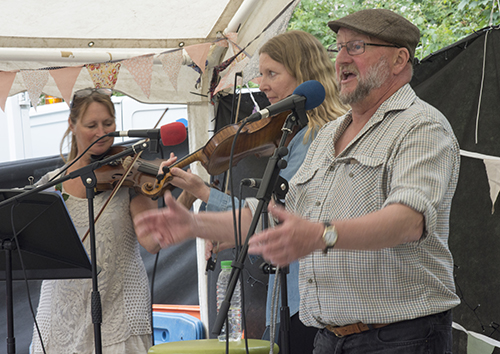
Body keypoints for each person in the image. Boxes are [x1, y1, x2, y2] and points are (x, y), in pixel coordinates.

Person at [134, 8, 461, 353]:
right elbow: (275, 216)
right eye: (339, 48)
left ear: (399, 59)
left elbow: (408, 221)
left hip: (400, 338)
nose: (342, 59)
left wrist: (321, 235)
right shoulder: (328, 135)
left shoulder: (422, 126)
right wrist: (196, 225)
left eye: (357, 47)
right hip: (329, 338)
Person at [153, 30, 348, 353]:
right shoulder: (298, 134)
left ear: (305, 76)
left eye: (272, 73)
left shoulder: (314, 138)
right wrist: (238, 230)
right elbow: (277, 217)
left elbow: (287, 217)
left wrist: (203, 191)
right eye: (260, 72)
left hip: (310, 300)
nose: (261, 83)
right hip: (299, 297)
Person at [30, 88, 159, 354]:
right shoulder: (50, 185)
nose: (102, 133)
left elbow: (154, 242)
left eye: (108, 123)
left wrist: (186, 197)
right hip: (58, 319)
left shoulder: (128, 176)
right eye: (92, 125)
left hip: (118, 317)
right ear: (72, 125)